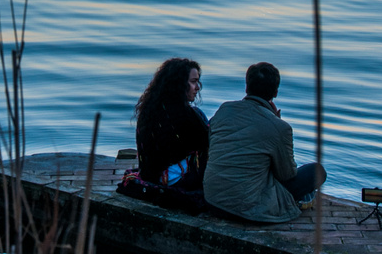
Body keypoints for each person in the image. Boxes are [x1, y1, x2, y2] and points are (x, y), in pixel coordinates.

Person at [203, 62, 326, 223]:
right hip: (249, 210)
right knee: (316, 171)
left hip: (213, 201)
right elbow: (287, 174)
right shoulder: (280, 127)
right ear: (275, 92)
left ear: (247, 87)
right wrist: (276, 123)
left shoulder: (224, 109)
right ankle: (301, 200)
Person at [135, 57, 209, 191]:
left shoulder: (149, 109)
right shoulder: (185, 114)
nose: (198, 87)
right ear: (179, 84)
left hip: (150, 175)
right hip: (172, 179)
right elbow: (207, 143)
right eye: (193, 82)